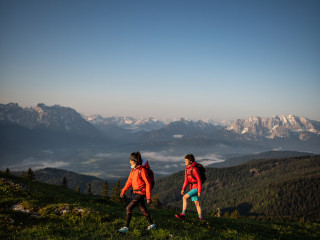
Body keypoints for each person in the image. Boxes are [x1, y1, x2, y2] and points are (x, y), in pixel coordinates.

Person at [118, 152, 156, 233]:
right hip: (136, 192)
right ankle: (152, 225)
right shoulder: (133, 170)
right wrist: (123, 191)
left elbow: (148, 183)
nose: (129, 162)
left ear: (135, 161)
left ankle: (126, 227)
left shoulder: (142, 170)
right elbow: (129, 182)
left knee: (129, 208)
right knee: (143, 208)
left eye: (131, 160)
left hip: (141, 193)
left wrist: (148, 196)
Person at [175, 154, 203, 220]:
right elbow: (186, 180)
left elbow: (199, 180)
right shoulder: (187, 169)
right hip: (193, 187)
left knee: (184, 198)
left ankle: (183, 214)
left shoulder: (194, 169)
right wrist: (183, 189)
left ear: (190, 161)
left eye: (186, 160)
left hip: (196, 188)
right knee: (197, 203)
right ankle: (200, 217)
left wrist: (199, 191)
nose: (185, 161)